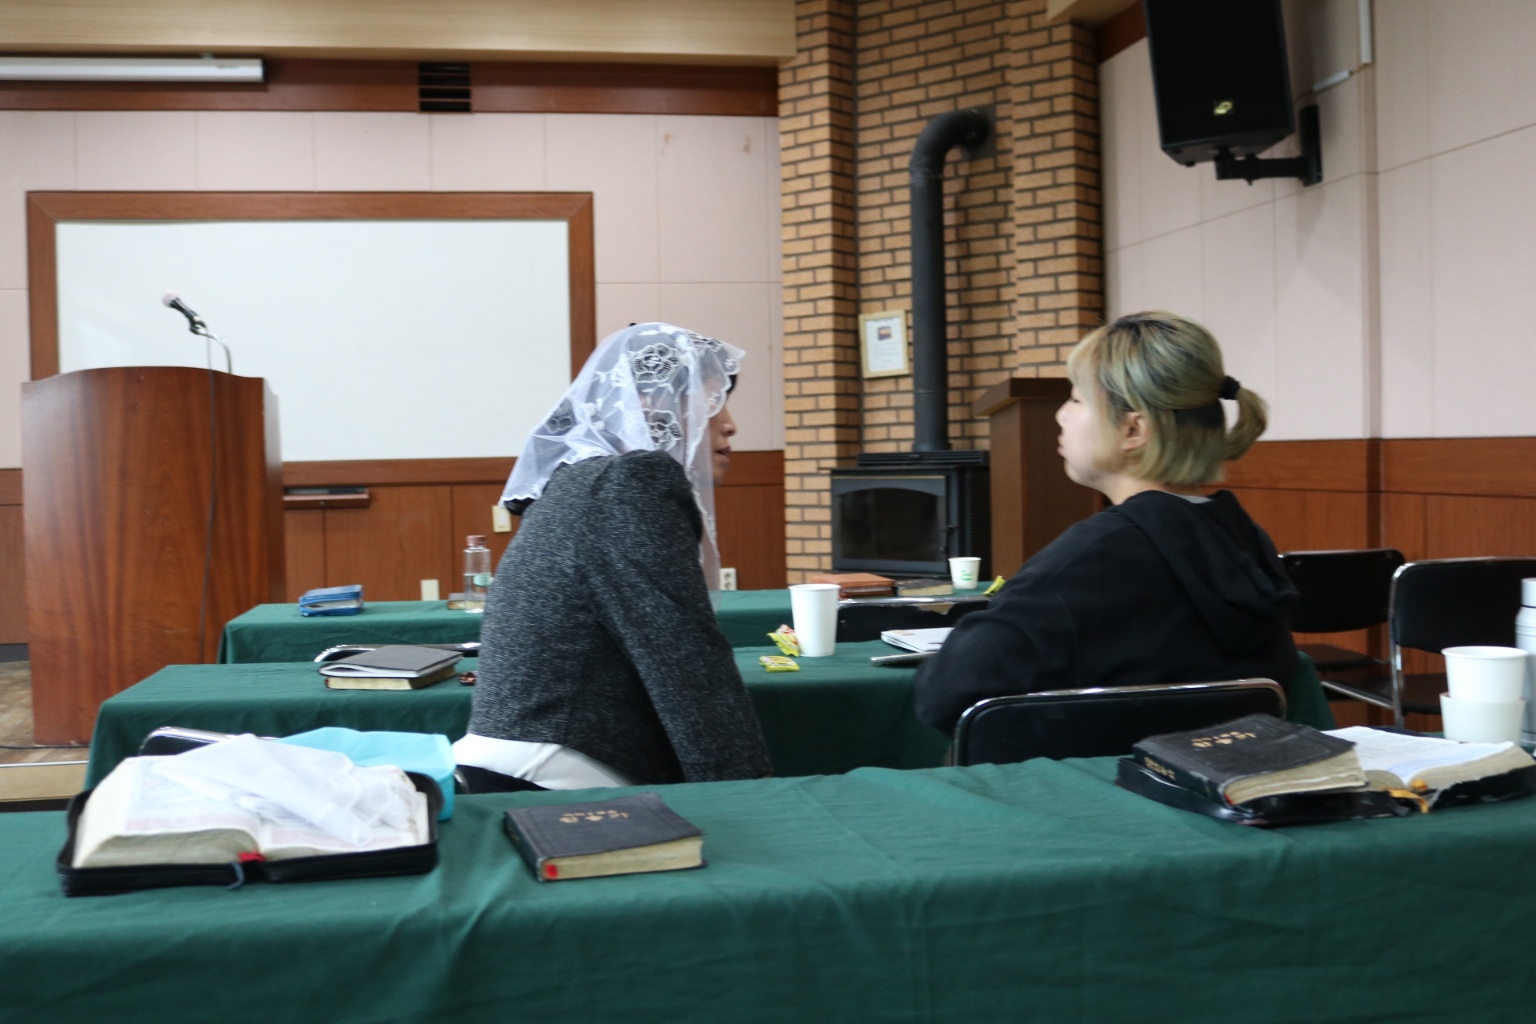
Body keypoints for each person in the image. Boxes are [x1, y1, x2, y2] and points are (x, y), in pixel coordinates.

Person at [913, 311, 1299, 733]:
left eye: (1077, 400)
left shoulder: (1091, 558)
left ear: (1133, 429)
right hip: (1228, 770)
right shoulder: (1244, 538)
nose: (1061, 415)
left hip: (1103, 772)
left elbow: (944, 695)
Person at [453, 323, 773, 791]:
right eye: (711, 401)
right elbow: (685, 661)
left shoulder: (583, 476)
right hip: (554, 771)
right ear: (651, 404)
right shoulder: (630, 483)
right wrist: (751, 791)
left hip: (536, 756)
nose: (730, 424)